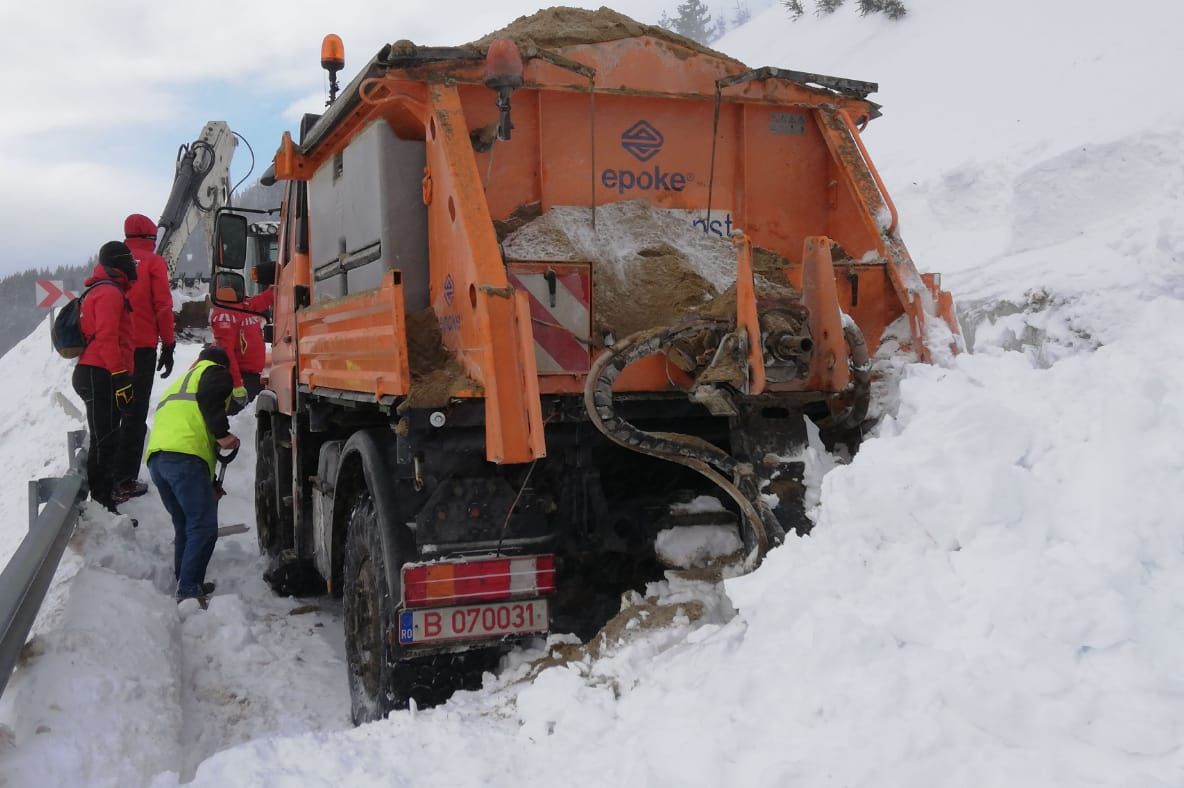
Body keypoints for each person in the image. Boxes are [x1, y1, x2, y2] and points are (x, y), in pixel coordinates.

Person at [145, 345, 240, 606]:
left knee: (185, 524)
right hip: (185, 458)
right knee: (203, 526)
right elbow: (210, 399)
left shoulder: (181, 382)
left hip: (157, 460)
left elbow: (190, 420)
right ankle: (188, 589)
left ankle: (187, 581)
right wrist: (223, 435)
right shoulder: (215, 372)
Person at [72, 241, 138, 512]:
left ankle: (105, 496)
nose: (133, 266)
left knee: (106, 436)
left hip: (96, 371)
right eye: (129, 262)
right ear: (118, 264)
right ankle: (103, 503)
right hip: (101, 373)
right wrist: (121, 377)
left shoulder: (99, 290)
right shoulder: (110, 293)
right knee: (105, 439)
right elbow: (108, 338)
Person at [116, 214, 176, 500]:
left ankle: (106, 476)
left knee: (111, 412)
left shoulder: (111, 260)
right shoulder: (153, 263)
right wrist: (169, 345)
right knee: (134, 413)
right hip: (140, 350)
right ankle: (125, 479)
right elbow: (162, 305)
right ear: (152, 237)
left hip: (110, 350)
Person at [210, 282, 273, 407]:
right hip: (241, 378)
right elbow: (226, 353)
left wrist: (276, 289)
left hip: (253, 376)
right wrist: (237, 384)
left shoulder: (243, 306)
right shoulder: (225, 315)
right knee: (241, 421)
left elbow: (262, 300)